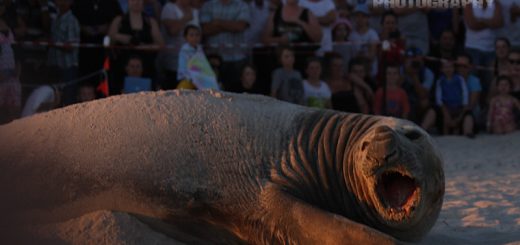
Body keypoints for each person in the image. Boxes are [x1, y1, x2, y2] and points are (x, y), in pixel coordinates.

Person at [108, 0, 164, 95]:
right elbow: (109, 41)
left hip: (146, 67)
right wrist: (121, 37)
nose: (136, 2)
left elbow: (160, 45)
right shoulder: (119, 20)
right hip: (122, 67)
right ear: (128, 2)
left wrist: (142, 46)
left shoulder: (150, 21)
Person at [199, 0, 251, 92]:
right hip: (214, 59)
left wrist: (218, 22)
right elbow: (205, 29)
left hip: (237, 59)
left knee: (236, 93)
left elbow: (240, 26)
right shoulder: (208, 5)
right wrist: (230, 25)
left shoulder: (242, 5)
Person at [262, 0, 322, 72]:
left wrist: (301, 23)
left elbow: (318, 37)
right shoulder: (275, 14)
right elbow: (264, 38)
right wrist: (279, 40)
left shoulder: (307, 13)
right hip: (281, 63)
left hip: (303, 61)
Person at [158, 0, 199, 90]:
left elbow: (200, 34)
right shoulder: (169, 8)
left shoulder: (195, 11)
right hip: (172, 62)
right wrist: (186, 18)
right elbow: (172, 31)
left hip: (193, 63)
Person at [47, 0, 80, 106]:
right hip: (55, 66)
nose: (61, 2)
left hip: (68, 67)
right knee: (54, 99)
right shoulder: (56, 18)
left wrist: (54, 44)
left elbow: (72, 46)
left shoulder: (71, 20)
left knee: (68, 100)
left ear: (70, 2)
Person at [434, 60, 474, 136]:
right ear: (441, 69)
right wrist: (446, 113)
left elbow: (465, 94)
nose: (448, 69)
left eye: (450, 67)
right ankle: (446, 136)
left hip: (459, 107)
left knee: (457, 124)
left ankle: (457, 137)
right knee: (446, 121)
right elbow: (438, 98)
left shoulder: (460, 79)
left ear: (454, 68)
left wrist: (462, 111)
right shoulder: (440, 81)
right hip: (446, 107)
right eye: (446, 67)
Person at [0, 12, 21, 124]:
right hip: (1, 75)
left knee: (13, 109)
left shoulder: (7, 23)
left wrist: (18, 65)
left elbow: (16, 48)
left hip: (12, 74)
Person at [349, 4, 379, 78]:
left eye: (363, 16)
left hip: (371, 72)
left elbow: (372, 55)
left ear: (368, 18)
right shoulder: (351, 35)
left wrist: (360, 56)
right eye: (357, 16)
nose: (360, 19)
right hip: (355, 72)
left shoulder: (373, 34)